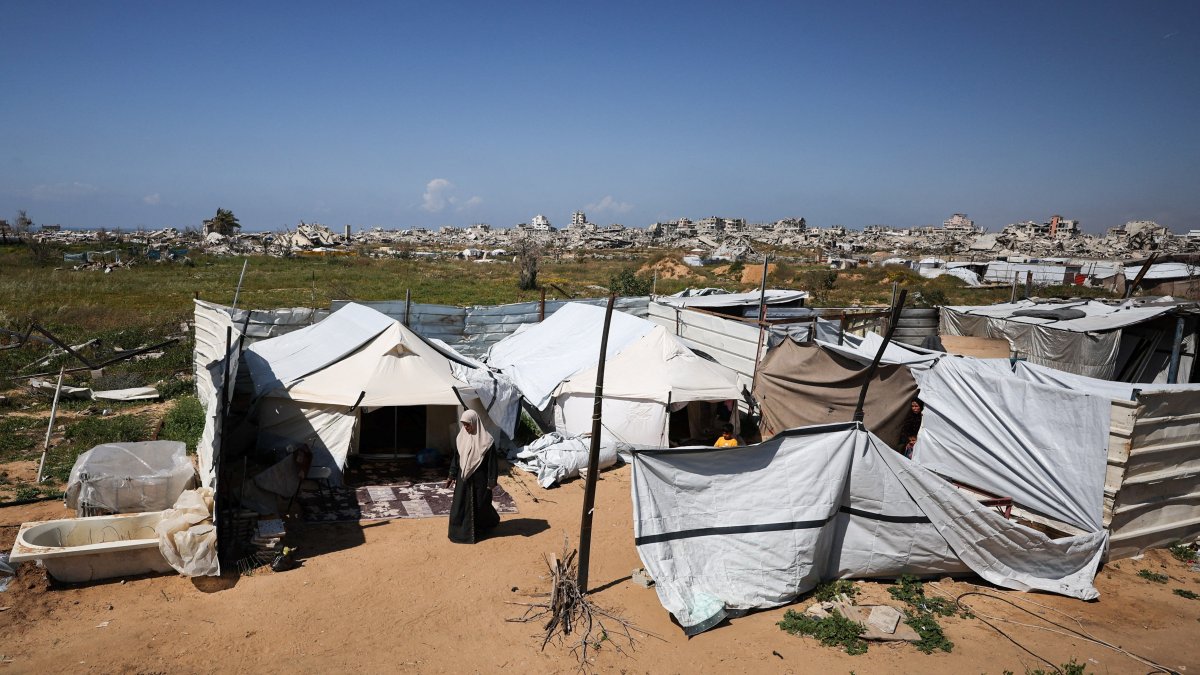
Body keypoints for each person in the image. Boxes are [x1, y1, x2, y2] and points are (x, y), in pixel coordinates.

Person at [446, 410, 500, 544]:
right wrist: (452, 474)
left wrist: (491, 481)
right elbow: (456, 459)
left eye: (468, 425)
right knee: (458, 506)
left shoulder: (487, 441)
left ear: (475, 423)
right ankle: (458, 533)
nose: (466, 428)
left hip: (480, 481)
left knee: (480, 505)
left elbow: (492, 463)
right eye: (464, 425)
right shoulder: (461, 438)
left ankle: (480, 531)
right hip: (463, 478)